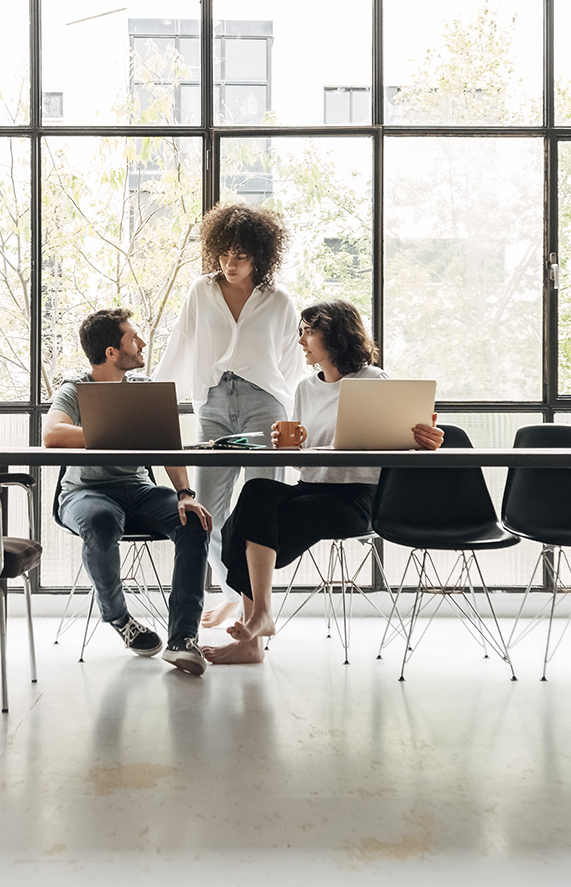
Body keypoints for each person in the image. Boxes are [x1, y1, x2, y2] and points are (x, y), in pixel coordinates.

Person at [203, 299, 444, 666]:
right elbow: (302, 459)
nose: (300, 340)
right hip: (310, 488)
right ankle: (259, 621)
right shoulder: (304, 388)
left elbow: (398, 439)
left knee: (242, 530)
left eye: (307, 331)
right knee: (256, 492)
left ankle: (256, 629)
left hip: (355, 499)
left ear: (333, 335)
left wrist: (427, 438)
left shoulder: (373, 381)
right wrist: (285, 448)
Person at [154, 202, 301, 628]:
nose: (230, 264)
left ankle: (256, 609)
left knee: (261, 514)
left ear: (260, 255)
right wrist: (158, 400)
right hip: (214, 406)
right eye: (224, 254)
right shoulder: (201, 290)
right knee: (207, 512)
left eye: (240, 256)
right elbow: (180, 344)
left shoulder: (278, 300)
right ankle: (238, 597)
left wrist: (283, 407)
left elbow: (290, 365)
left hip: (264, 406)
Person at [44, 308, 213, 676]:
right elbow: (53, 435)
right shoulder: (74, 389)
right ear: (111, 352)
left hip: (139, 491)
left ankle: (183, 639)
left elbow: (167, 444)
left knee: (194, 522)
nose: (142, 343)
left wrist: (185, 493)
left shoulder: (144, 388)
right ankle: (121, 620)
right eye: (133, 338)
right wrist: (114, 431)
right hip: (85, 493)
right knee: (102, 522)